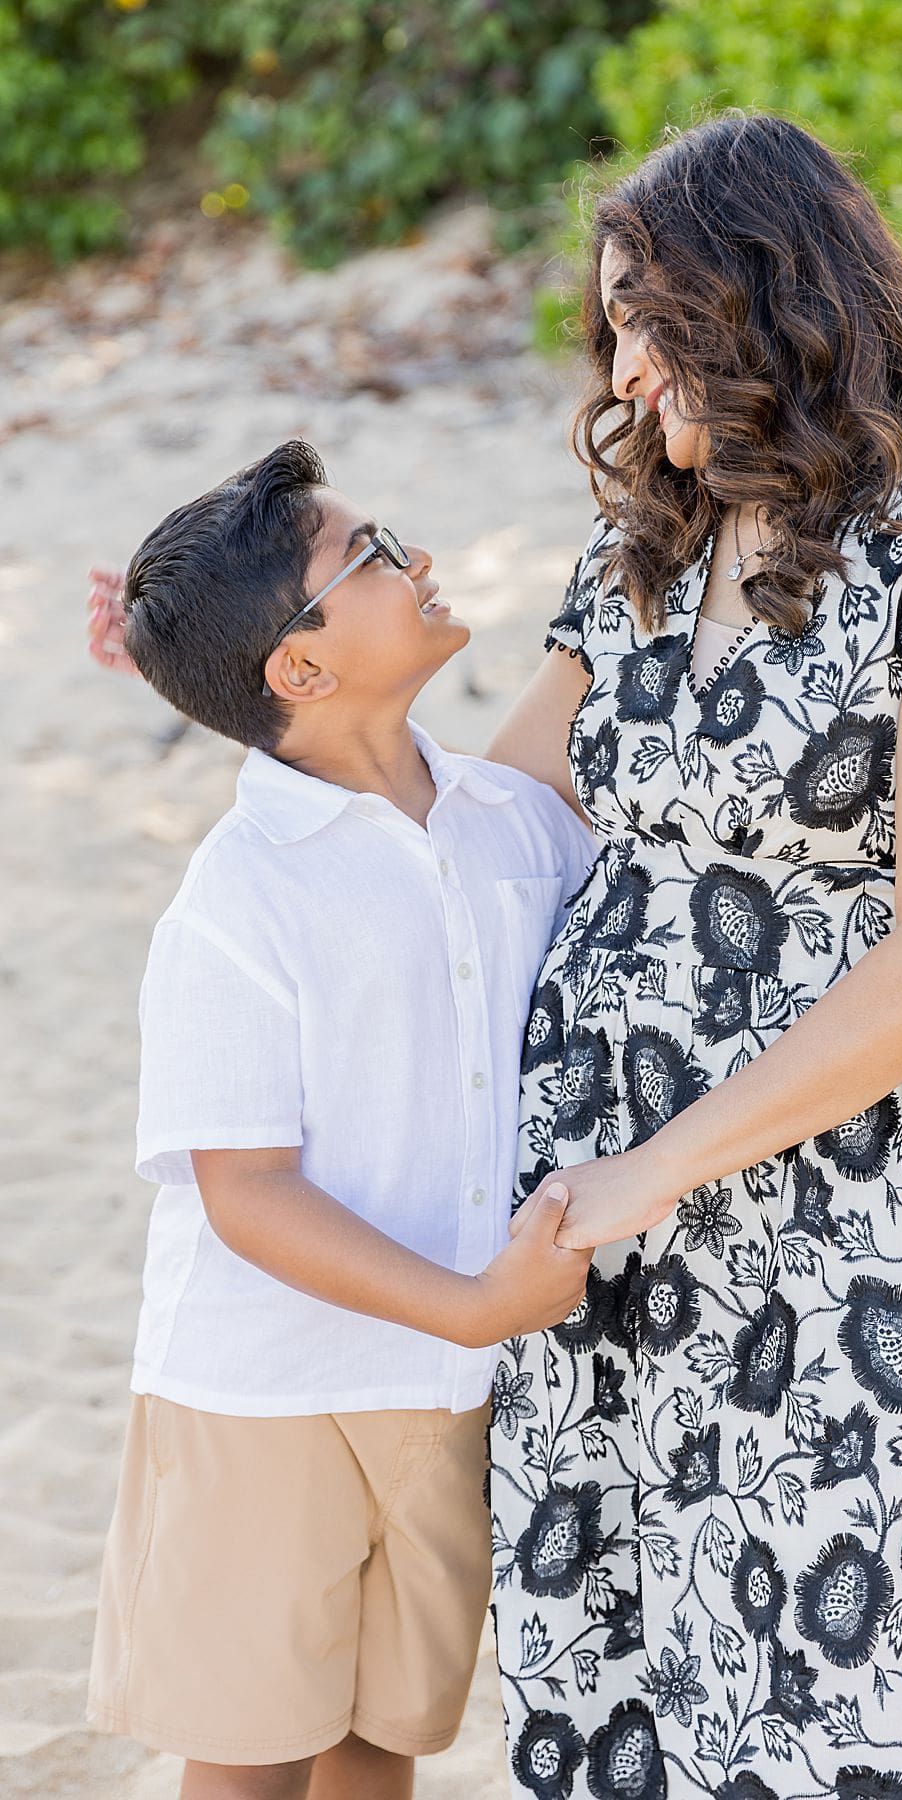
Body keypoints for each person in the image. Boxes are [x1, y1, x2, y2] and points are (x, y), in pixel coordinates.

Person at [483, 115, 902, 1797]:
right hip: (606, 1230)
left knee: (863, 1700)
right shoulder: (641, 557)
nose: (621, 364)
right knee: (640, 1689)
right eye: (607, 323)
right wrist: (244, 676)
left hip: (849, 1223)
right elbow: (479, 828)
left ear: (765, 296)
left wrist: (655, 1171)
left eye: (649, 314)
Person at [86, 440, 595, 1800]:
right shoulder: (242, 896)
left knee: (383, 1739)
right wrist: (475, 1302)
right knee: (253, 1753)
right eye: (372, 558)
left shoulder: (513, 824)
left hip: (441, 1389)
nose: (416, 560)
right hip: (269, 1389)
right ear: (299, 670)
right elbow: (245, 1190)